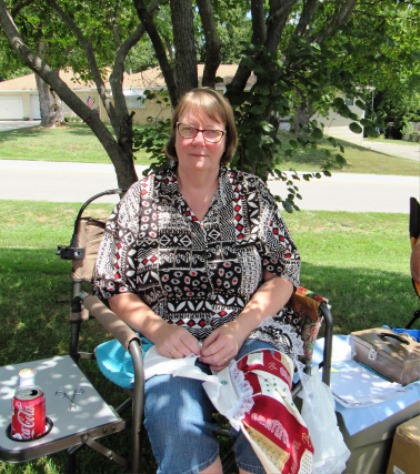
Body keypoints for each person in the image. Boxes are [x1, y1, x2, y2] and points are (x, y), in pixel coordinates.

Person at [94, 88, 306, 474]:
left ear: (227, 141)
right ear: (174, 137)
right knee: (178, 432)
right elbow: (112, 282)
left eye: (212, 131)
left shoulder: (250, 195)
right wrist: (158, 330)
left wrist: (239, 328)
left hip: (250, 334)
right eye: (188, 129)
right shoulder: (141, 197)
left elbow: (285, 271)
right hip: (171, 345)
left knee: (269, 427)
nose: (199, 140)